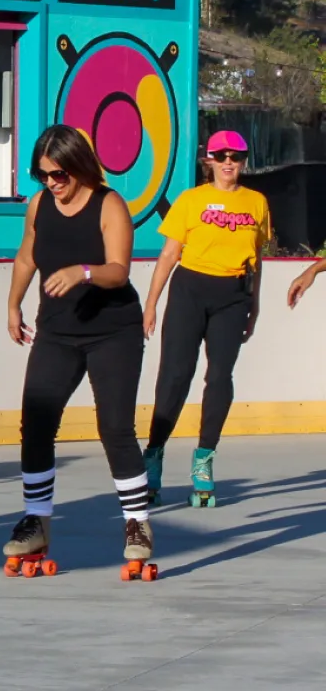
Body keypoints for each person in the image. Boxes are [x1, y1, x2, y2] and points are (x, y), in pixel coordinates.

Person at [4, 124, 153, 568]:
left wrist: (82, 272)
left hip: (114, 331)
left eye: (59, 175)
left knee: (115, 429)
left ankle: (137, 522)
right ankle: (36, 521)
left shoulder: (110, 204)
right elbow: (26, 256)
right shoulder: (40, 205)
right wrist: (12, 305)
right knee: (36, 423)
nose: (52, 183)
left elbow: (119, 270)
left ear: (78, 166)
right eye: (43, 175)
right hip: (57, 332)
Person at [142, 130, 270, 507]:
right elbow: (168, 254)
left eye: (236, 156)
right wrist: (151, 304)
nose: (229, 162)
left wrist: (255, 304)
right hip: (189, 289)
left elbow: (256, 258)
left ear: (244, 160)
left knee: (219, 377)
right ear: (209, 160)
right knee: (175, 374)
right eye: (222, 155)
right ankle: (154, 455)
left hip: (233, 295)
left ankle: (204, 461)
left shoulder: (257, 202)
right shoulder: (191, 199)